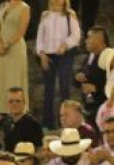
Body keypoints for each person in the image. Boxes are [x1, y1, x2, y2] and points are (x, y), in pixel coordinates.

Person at [35, 0, 81, 129]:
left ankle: (66, 123)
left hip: (64, 55)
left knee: (64, 87)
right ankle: (47, 123)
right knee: (48, 89)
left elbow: (76, 35)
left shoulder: (69, 14)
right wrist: (42, 54)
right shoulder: (45, 15)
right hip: (48, 55)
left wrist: (65, 44)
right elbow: (40, 37)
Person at [0, 0, 30, 116]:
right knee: (1, 78)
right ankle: (1, 110)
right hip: (1, 49)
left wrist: (7, 44)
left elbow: (21, 31)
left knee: (14, 77)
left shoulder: (24, 8)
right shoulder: (3, 6)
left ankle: (17, 110)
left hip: (15, 48)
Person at [75, 27, 112, 128]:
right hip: (89, 107)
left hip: (104, 107)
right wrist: (77, 78)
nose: (86, 40)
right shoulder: (88, 59)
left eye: (90, 37)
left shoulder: (109, 59)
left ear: (101, 42)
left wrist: (97, 89)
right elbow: (77, 81)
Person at [0, 86, 44, 152]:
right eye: (11, 101)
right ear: (7, 103)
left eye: (18, 101)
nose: (14, 104)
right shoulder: (1, 123)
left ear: (24, 103)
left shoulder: (33, 124)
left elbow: (39, 149)